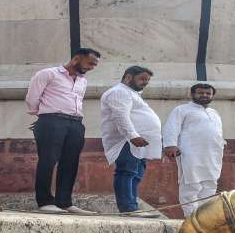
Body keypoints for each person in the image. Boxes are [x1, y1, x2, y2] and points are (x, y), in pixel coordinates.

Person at [25, 48, 101, 214]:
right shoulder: (48, 74)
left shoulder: (83, 81)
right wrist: (48, 115)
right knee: (48, 160)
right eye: (90, 63)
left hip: (76, 123)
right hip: (51, 121)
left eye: (94, 65)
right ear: (76, 59)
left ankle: (64, 202)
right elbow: (32, 99)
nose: (92, 68)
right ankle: (44, 201)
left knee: (70, 163)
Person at [100, 66, 162, 218]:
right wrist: (132, 136)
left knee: (136, 173)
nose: (145, 83)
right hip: (126, 142)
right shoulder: (119, 92)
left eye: (147, 80)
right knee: (126, 172)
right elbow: (121, 116)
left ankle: (132, 207)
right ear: (128, 77)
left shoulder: (131, 94)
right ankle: (128, 208)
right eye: (142, 79)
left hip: (137, 143)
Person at [162, 83, 226, 217]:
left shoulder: (214, 113)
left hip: (212, 154)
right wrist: (170, 145)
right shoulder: (182, 109)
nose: (204, 95)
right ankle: (190, 216)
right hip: (190, 153)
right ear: (192, 94)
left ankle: (204, 217)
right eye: (200, 93)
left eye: (208, 93)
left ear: (212, 96)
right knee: (191, 183)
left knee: (210, 183)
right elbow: (172, 127)